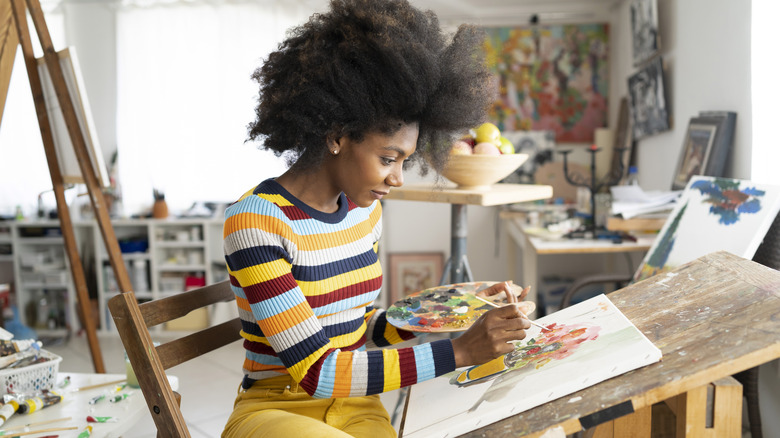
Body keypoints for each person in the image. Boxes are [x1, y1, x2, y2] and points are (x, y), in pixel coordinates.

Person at [221, 1, 532, 436]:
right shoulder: (256, 221)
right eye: (388, 158)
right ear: (336, 136)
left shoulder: (364, 214)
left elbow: (364, 329)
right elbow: (318, 372)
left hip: (357, 406)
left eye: (405, 160)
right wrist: (460, 351)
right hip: (276, 408)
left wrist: (464, 304)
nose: (398, 178)